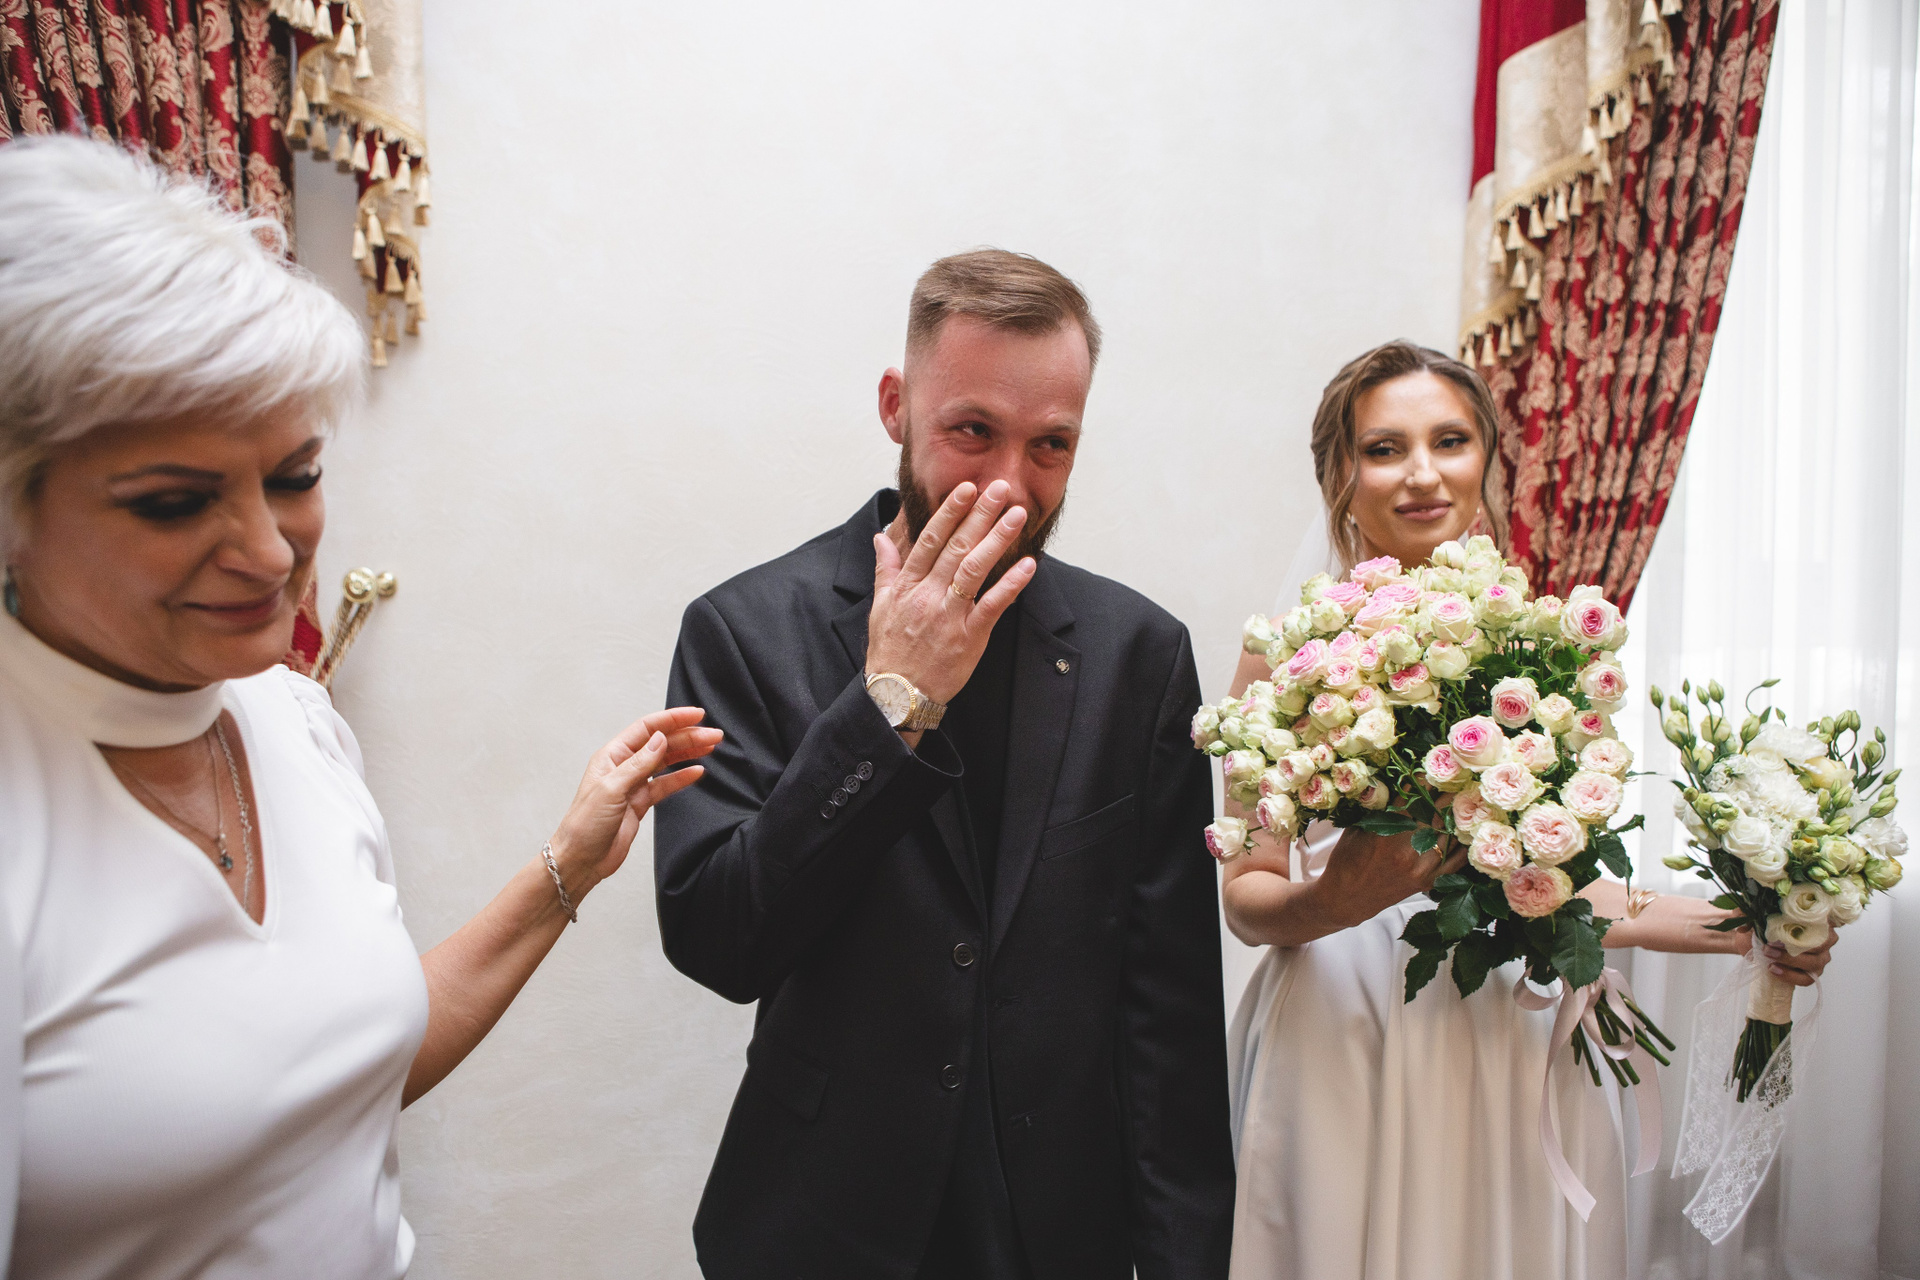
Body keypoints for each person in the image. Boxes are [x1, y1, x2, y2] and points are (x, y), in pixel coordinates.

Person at [0, 135, 721, 1279]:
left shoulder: (293, 717)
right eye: (175, 501)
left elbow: (341, 1074)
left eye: (294, 475)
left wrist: (571, 863)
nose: (266, 549)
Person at [654, 249, 1235, 1280]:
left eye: (1050, 444)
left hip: (1056, 1229)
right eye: (973, 430)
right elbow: (721, 940)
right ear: (897, 407)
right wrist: (890, 706)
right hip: (820, 1223)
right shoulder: (744, 628)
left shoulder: (1140, 655)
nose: (1009, 483)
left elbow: (1170, 1016)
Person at [1217, 340, 1836, 1280]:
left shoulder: (1541, 649)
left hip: (1515, 1016)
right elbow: (1246, 896)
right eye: (1384, 448)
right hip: (1349, 1022)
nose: (1423, 473)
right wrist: (1340, 897)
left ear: (1486, 458)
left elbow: (1559, 885)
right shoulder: (1286, 660)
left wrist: (1749, 925)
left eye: (1450, 440)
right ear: (1340, 475)